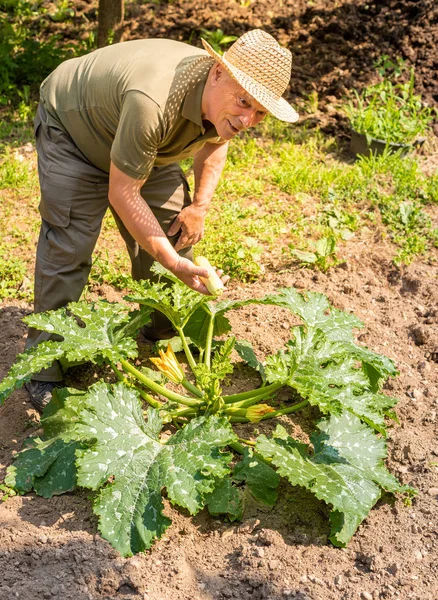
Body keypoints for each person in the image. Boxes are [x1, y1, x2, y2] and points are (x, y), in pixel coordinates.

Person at [24, 29, 299, 412]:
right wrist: (171, 261)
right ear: (217, 71)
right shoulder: (153, 100)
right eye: (244, 102)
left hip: (143, 147)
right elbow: (122, 194)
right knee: (69, 246)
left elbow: (215, 146)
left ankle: (165, 331)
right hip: (77, 134)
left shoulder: (225, 105)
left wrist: (199, 206)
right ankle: (43, 366)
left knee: (174, 227)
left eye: (260, 112)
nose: (248, 119)